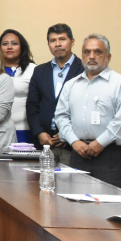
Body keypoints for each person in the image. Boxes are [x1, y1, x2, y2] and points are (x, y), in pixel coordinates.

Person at [55, 34, 121, 192]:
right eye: (87, 52)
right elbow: (61, 117)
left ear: (108, 57)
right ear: (82, 55)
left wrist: (100, 143)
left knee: (114, 203)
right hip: (78, 154)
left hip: (111, 155)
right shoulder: (71, 85)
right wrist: (74, 141)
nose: (91, 56)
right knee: (77, 203)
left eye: (98, 52)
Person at [27, 23, 84, 164]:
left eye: (62, 39)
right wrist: (39, 132)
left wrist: (68, 135)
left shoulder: (84, 69)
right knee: (43, 178)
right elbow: (32, 106)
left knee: (71, 178)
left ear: (72, 41)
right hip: (45, 143)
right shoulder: (40, 71)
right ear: (49, 45)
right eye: (53, 40)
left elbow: (86, 107)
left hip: (73, 145)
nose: (57, 44)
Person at [0, 29, 37, 144]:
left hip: (25, 130)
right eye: (5, 44)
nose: (9, 47)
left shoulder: (33, 70)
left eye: (14, 43)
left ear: (22, 47)